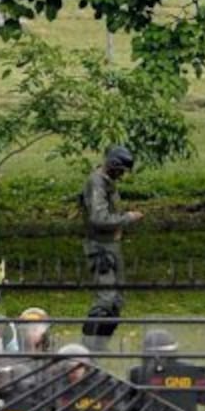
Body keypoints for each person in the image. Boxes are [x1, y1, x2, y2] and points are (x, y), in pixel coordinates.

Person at [81, 146, 141, 351]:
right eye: (121, 169)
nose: (122, 174)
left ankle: (100, 346)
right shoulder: (96, 183)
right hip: (100, 248)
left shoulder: (107, 182)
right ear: (114, 165)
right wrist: (127, 218)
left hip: (111, 245)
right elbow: (98, 218)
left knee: (116, 301)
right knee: (105, 300)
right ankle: (88, 348)